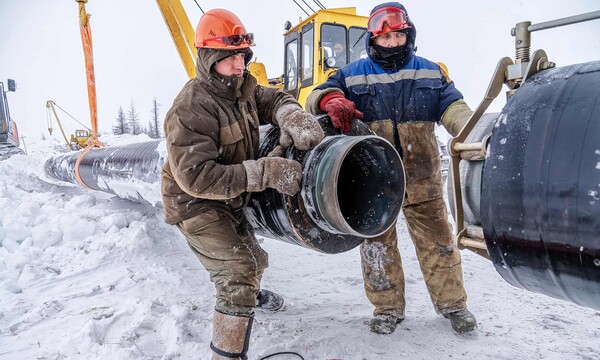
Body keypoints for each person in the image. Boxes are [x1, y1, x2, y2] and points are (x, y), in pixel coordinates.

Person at [161, 9, 324, 359]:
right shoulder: (190, 109)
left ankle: (248, 296)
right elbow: (196, 177)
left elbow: (273, 98)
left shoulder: (242, 88)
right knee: (238, 272)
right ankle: (227, 352)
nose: (240, 64)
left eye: (242, 56)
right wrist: (263, 173)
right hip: (196, 203)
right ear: (209, 58)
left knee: (255, 259)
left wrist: (291, 114)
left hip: (231, 196)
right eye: (230, 57)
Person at [306, 2, 477, 335]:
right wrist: (331, 100)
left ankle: (454, 305)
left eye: (398, 36)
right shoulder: (352, 74)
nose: (392, 43)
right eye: (385, 39)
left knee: (439, 243)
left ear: (408, 35)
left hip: (422, 179)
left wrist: (471, 131)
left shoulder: (430, 71)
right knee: (376, 247)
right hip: (375, 182)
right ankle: (386, 309)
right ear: (372, 39)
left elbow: (454, 106)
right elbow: (318, 94)